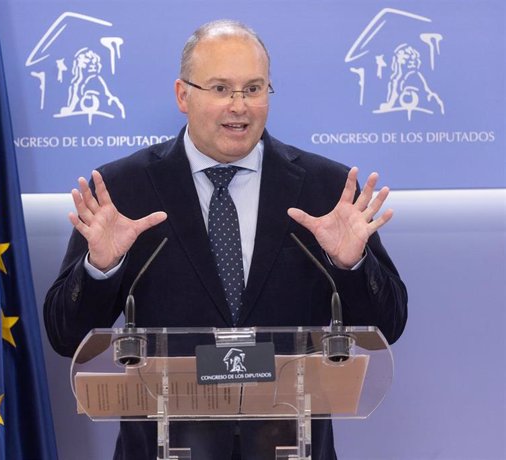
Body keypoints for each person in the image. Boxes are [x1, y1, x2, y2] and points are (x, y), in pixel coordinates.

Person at [44, 19, 407, 460]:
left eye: (253, 89)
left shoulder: (325, 189)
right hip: (165, 448)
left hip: (289, 447)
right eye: (220, 89)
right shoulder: (124, 190)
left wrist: (351, 266)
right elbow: (65, 335)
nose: (239, 106)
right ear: (183, 95)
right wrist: (100, 270)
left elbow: (388, 326)